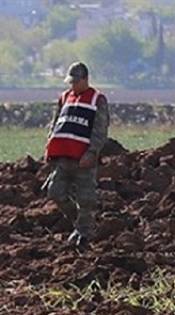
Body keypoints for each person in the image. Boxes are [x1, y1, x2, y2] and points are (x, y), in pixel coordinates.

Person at [44, 61, 110, 252]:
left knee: (86, 199)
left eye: (76, 82)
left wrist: (92, 152)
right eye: (70, 82)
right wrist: (50, 146)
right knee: (55, 192)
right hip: (62, 157)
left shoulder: (98, 99)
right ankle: (80, 224)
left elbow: (100, 130)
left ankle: (84, 236)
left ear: (85, 80)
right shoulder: (65, 97)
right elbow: (55, 124)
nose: (72, 86)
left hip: (84, 159)